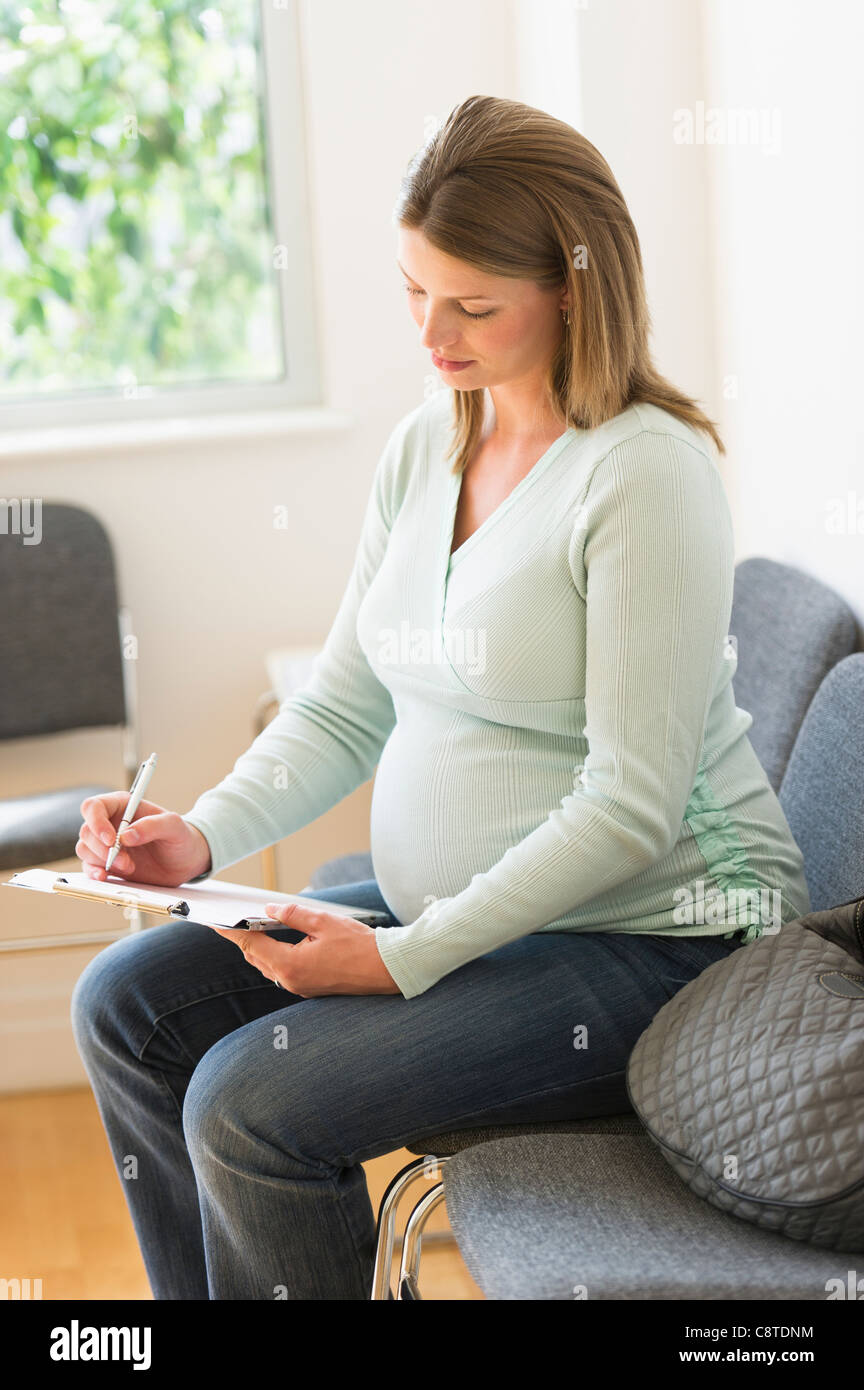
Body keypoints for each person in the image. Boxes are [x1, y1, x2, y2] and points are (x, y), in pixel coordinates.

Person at [70, 95, 811, 1300]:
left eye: (473, 306)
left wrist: (403, 958)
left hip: (663, 943)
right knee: (125, 1006)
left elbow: (628, 807)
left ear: (573, 287)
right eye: (416, 291)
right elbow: (347, 699)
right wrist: (199, 834)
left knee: (251, 1104)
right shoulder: (432, 443)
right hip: (472, 910)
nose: (433, 333)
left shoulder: (645, 475)